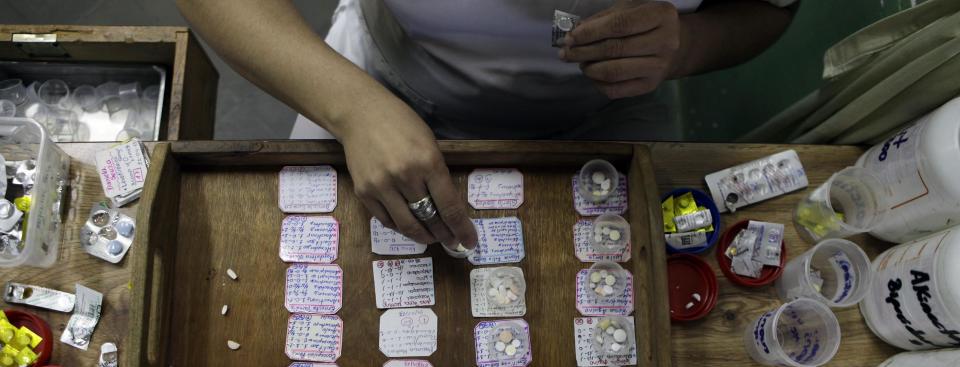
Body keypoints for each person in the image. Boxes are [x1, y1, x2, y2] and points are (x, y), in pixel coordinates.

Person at [178, 0, 797, 248]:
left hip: (605, 114)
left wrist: (688, 44)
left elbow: (769, 10)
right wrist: (352, 107)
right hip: (374, 83)